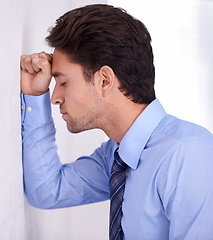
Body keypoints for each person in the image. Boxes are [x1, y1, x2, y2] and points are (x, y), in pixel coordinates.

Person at [20, 4, 213, 240]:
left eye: (62, 82)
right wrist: (34, 95)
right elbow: (48, 191)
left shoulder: (187, 155)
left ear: (104, 80)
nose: (54, 98)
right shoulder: (116, 155)